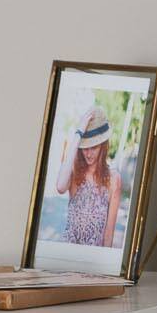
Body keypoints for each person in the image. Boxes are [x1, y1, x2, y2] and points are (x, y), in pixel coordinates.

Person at [54, 106, 120, 249]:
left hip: (92, 259)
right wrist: (79, 133)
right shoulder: (74, 171)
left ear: (103, 146)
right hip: (67, 253)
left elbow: (108, 235)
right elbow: (60, 187)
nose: (88, 153)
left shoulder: (113, 179)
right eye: (85, 147)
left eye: (94, 147)